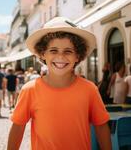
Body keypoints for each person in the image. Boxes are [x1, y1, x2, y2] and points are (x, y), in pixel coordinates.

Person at [7, 17, 111, 150]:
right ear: (43, 54)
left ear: (77, 56)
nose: (60, 57)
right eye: (53, 50)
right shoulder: (30, 90)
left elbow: (101, 125)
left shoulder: (89, 89)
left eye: (68, 51)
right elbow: (18, 126)